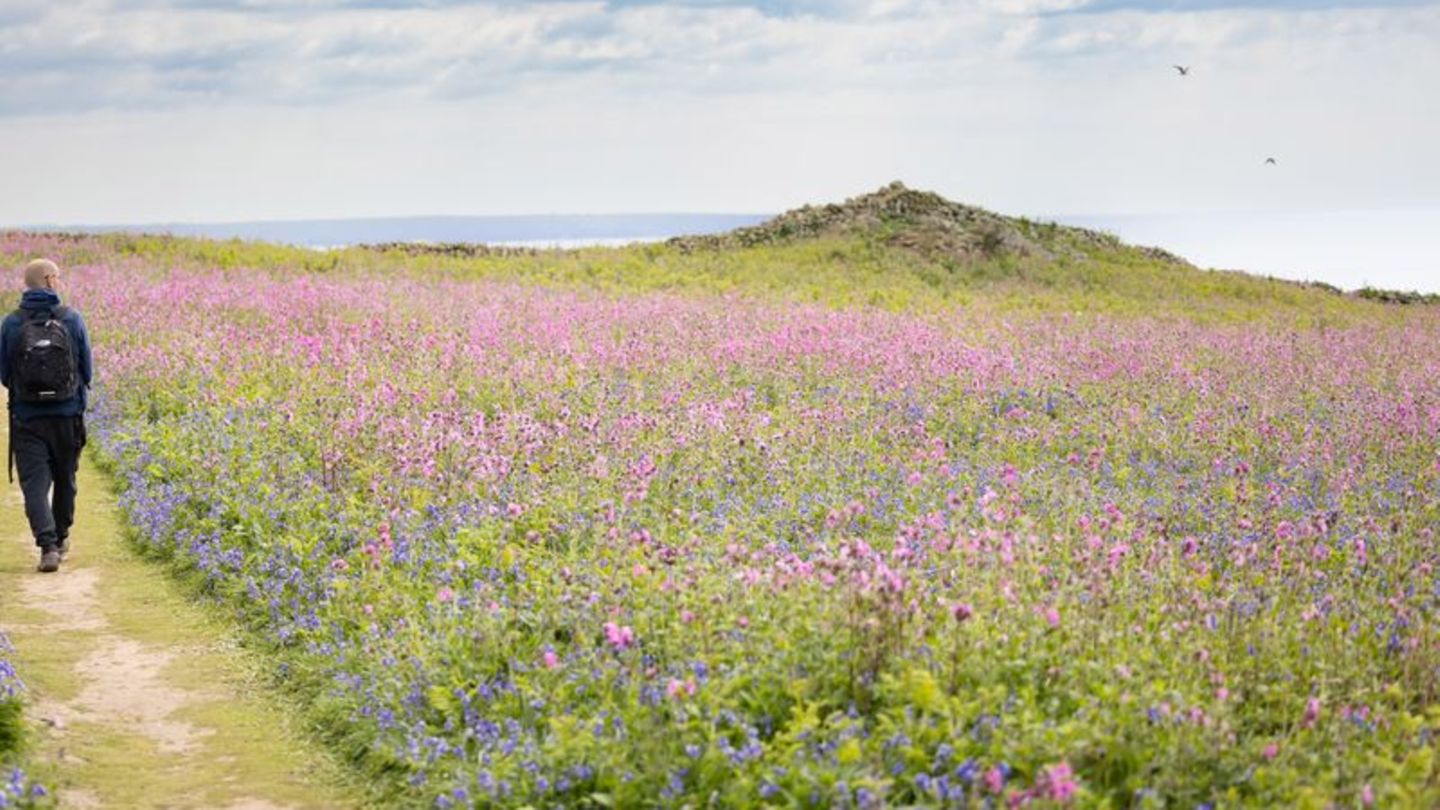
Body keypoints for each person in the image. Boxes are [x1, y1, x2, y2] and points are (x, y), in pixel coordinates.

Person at [0, 259, 93, 573]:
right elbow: (87, 370)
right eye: (58, 277)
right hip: (68, 416)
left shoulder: (11, 323)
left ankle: (48, 546)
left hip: (27, 418)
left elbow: (3, 375)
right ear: (50, 280)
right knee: (66, 479)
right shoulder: (72, 318)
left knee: (35, 485)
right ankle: (62, 536)